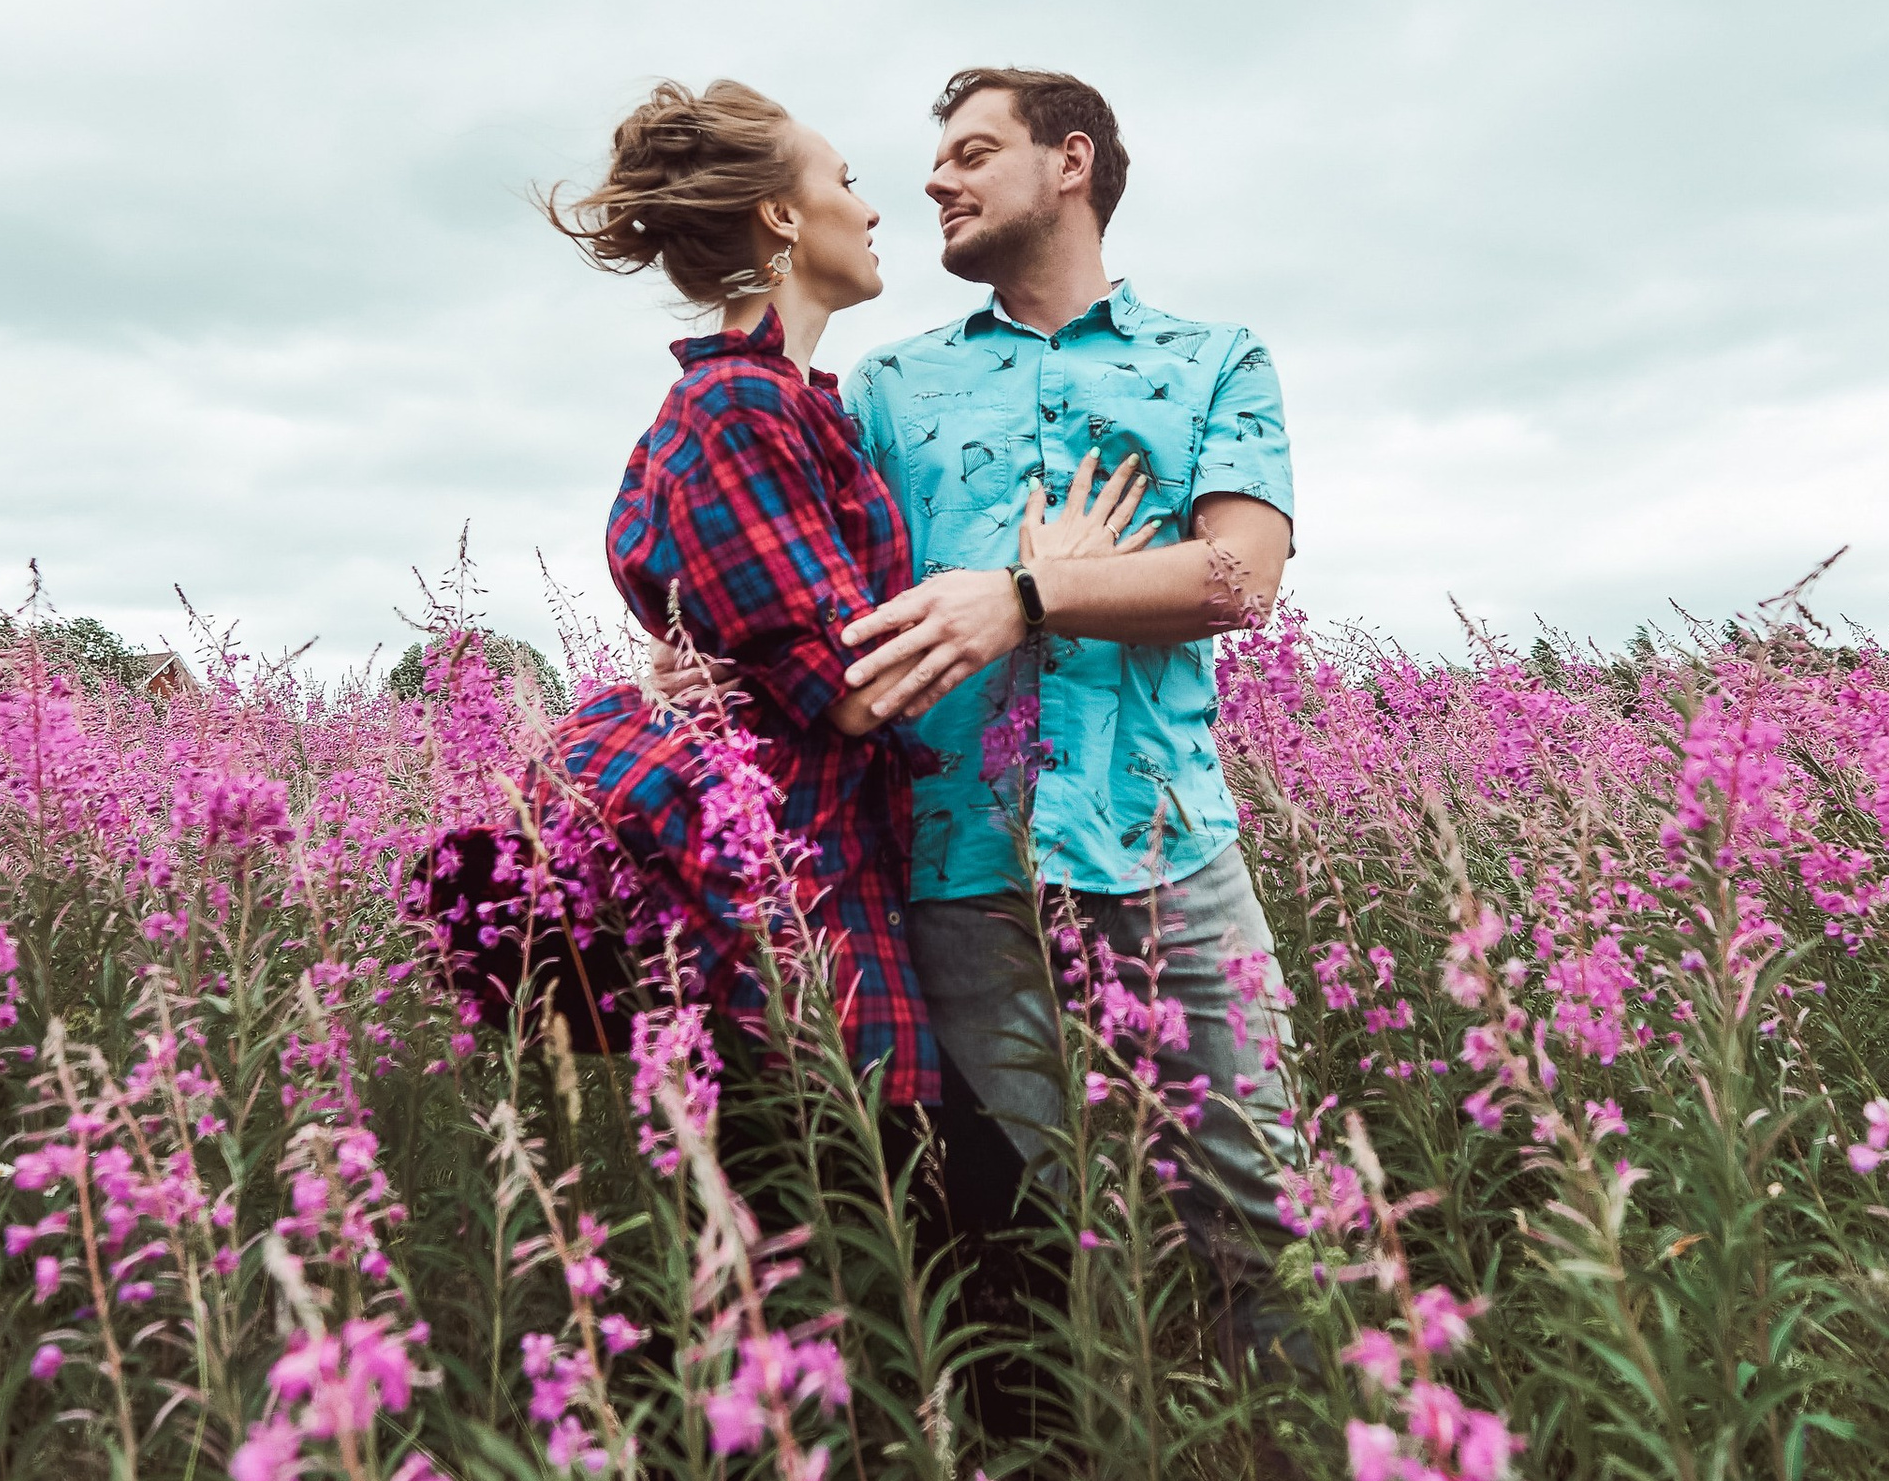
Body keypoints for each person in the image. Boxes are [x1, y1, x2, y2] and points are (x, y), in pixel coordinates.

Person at [426, 79, 1147, 1177]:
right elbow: (850, 691)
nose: (870, 208)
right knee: (933, 1256)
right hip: (777, 917)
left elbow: (753, 633)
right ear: (780, 218)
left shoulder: (799, 403)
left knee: (866, 1257)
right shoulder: (737, 409)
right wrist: (1035, 584)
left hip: (817, 891)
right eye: (846, 182)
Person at [835, 67, 1301, 1350]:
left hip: (1168, 848)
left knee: (1258, 1211)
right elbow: (835, 610)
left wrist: (1027, 596)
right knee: (1033, 1243)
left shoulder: (1214, 360)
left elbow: (1237, 575)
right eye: (939, 158)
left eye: (975, 151)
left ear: (1072, 161)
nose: (938, 177)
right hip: (961, 866)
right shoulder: (885, 389)